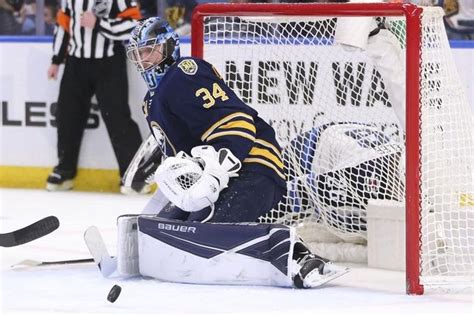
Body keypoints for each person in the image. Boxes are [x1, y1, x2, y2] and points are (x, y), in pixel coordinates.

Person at [108, 17, 349, 289]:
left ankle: (296, 255)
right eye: (138, 53)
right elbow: (180, 164)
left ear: (169, 48)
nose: (144, 60)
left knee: (199, 238)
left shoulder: (184, 73)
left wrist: (213, 174)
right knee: (166, 235)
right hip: (219, 178)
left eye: (149, 50)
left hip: (252, 168)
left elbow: (237, 123)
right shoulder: (151, 102)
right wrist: (148, 222)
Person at [46, 0, 143, 192]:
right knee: (67, 116)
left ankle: (134, 175)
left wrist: (99, 24)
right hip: (76, 62)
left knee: (117, 117)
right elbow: (63, 24)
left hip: (109, 62)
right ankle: (65, 170)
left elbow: (134, 26)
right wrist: (56, 60)